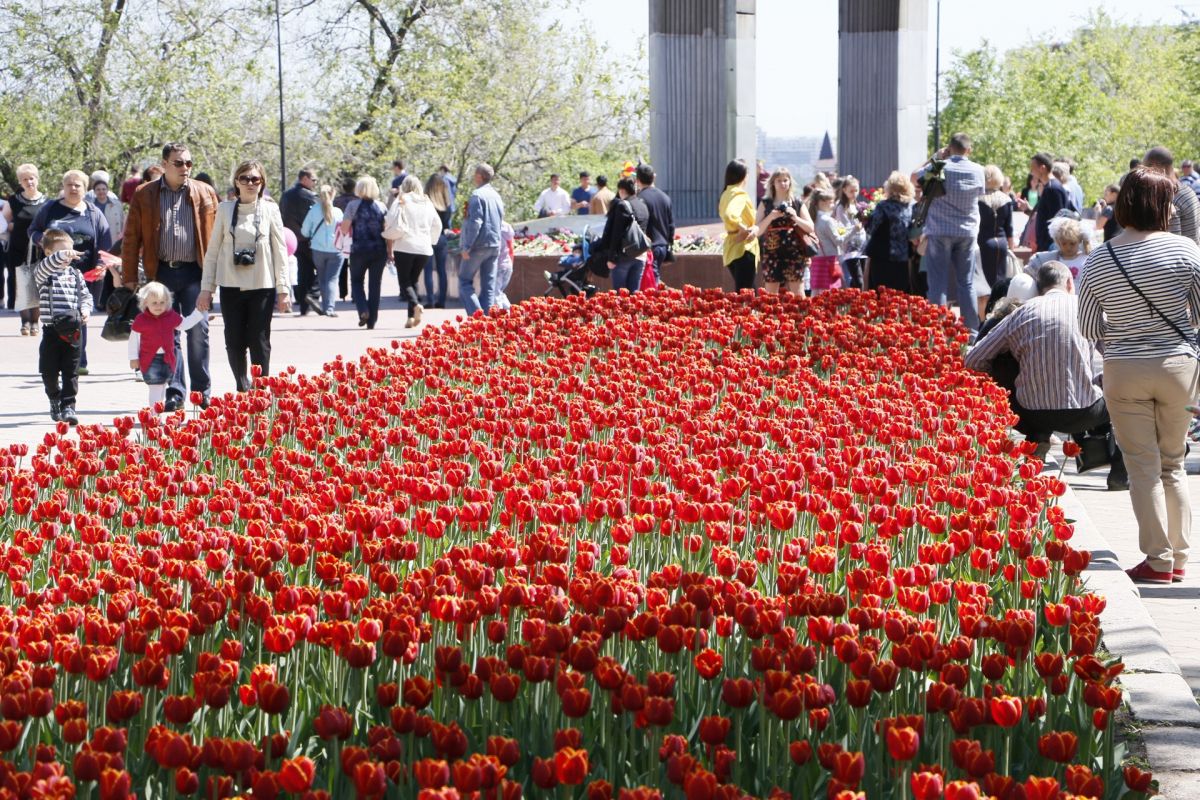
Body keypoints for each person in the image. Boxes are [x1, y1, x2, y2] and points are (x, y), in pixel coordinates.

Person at [1078, 166, 1200, 583]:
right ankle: (1181, 558)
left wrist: (1125, 330)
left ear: (1124, 203)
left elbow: (1090, 327)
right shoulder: (1187, 252)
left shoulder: (1101, 256)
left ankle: (1158, 559)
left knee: (1142, 468)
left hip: (1125, 368)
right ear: (1164, 207)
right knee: (1174, 464)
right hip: (1179, 368)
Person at [967, 261, 1126, 475]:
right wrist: (1098, 380)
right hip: (1085, 412)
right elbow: (1120, 357)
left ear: (1039, 287)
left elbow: (974, 359)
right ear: (1070, 282)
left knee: (1032, 386)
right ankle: (1120, 470)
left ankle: (1037, 443)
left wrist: (1013, 376)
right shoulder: (1086, 308)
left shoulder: (1021, 313)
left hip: (1030, 414)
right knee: (1125, 395)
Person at [122, 142, 220, 410]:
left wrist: (214, 280)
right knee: (168, 333)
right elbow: (131, 238)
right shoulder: (145, 194)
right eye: (179, 163)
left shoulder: (205, 192)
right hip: (161, 272)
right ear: (164, 164)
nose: (185, 168)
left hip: (195, 273)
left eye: (188, 163)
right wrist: (129, 276)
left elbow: (218, 237)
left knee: (199, 331)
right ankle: (175, 393)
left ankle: (202, 391)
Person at [196, 160, 290, 392]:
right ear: (236, 182)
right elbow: (213, 251)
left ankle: (261, 389)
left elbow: (280, 251)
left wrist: (283, 289)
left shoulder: (270, 210)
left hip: (262, 286)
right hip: (231, 285)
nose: (250, 183)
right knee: (234, 340)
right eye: (244, 179)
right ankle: (242, 384)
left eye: (255, 179)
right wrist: (206, 288)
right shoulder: (226, 210)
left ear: (262, 183)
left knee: (259, 340)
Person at [30, 170, 112, 377]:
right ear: (63, 187)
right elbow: (33, 230)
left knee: (79, 315)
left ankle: (78, 360)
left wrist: (102, 265)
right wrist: (45, 242)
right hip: (54, 275)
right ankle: (52, 359)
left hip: (84, 274)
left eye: (78, 185)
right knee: (55, 314)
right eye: (69, 185)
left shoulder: (94, 213)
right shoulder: (50, 208)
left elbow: (104, 242)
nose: (73, 188)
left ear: (86, 189)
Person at [913, 134, 986, 332]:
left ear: (949, 147)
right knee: (967, 283)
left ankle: (938, 329)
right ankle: (971, 330)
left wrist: (936, 157)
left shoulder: (939, 167)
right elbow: (980, 193)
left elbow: (914, 178)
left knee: (937, 283)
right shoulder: (978, 170)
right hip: (967, 232)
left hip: (939, 231)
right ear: (968, 150)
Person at [33, 230, 91, 425]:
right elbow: (48, 264)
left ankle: (68, 406)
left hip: (74, 330)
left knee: (71, 371)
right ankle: (54, 397)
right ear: (48, 253)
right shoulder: (43, 272)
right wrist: (62, 254)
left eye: (70, 250)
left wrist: (85, 310)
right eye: (63, 252)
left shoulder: (75, 274)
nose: (69, 255)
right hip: (52, 331)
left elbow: (85, 296)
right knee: (48, 371)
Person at [127, 282, 204, 409]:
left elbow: (184, 324)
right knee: (155, 388)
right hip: (150, 360)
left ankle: (157, 412)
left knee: (162, 386)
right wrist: (133, 358)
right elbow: (133, 339)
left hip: (168, 359)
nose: (158, 306)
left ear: (168, 302)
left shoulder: (171, 316)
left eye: (162, 302)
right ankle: (154, 414)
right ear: (145, 303)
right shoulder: (141, 320)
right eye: (154, 303)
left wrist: (198, 313)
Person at [384, 175, 441, 328]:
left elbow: (390, 220)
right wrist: (431, 240)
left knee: (404, 282)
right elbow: (437, 224)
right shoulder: (427, 202)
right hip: (424, 248)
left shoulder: (401, 200)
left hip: (405, 245)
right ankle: (411, 318)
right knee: (413, 280)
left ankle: (416, 305)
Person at [3, 163, 49, 334]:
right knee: (21, 286)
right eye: (25, 179)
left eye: (31, 178)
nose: (29, 182)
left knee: (38, 285)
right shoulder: (13, 201)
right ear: (20, 182)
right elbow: (4, 224)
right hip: (18, 249)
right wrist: (12, 226)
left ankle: (35, 322)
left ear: (37, 179)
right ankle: (25, 322)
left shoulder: (47, 202)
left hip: (40, 249)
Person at [338, 176, 389, 330]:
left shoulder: (353, 206)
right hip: (379, 250)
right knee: (375, 284)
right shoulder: (381, 206)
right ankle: (372, 320)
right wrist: (390, 251)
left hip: (359, 250)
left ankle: (363, 310)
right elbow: (387, 231)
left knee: (357, 282)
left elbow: (344, 228)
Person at [756, 167, 814, 295]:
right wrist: (771, 216)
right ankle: (771, 315)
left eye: (785, 180)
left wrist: (794, 217)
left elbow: (810, 227)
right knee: (770, 294)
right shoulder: (766, 203)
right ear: (773, 183)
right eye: (779, 181)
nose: (783, 184)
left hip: (794, 252)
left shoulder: (797, 202)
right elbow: (758, 230)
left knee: (798, 292)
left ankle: (802, 315)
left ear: (790, 182)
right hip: (772, 252)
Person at [459, 163, 505, 316]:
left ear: (479, 176)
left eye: (474, 174)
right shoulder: (497, 196)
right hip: (494, 245)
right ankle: (488, 323)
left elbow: (475, 223)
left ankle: (478, 320)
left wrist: (466, 246)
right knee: (489, 287)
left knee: (464, 281)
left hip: (478, 246)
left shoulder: (477, 195)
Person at [596, 176, 650, 293]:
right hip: (641, 254)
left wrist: (611, 258)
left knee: (621, 295)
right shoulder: (643, 205)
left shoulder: (622, 205)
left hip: (623, 255)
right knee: (634, 294)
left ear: (621, 190)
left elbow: (616, 233)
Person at [864, 171, 914, 292]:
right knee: (900, 296)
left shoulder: (883, 206)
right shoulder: (911, 207)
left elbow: (870, 229)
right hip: (903, 259)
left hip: (882, 258)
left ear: (889, 188)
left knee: (880, 296)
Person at [280, 168, 321, 315]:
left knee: (302, 272)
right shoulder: (311, 197)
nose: (315, 183)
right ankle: (312, 296)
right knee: (321, 270)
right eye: (313, 179)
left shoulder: (285, 195)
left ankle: (304, 306)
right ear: (304, 178)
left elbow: (281, 215)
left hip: (291, 239)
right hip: (309, 239)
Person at [300, 184, 344, 317]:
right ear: (333, 194)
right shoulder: (338, 212)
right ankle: (329, 308)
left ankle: (325, 306)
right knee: (332, 279)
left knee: (322, 278)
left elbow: (304, 231)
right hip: (336, 250)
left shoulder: (314, 210)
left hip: (317, 249)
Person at [1143, 146, 1200, 245]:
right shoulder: (1187, 190)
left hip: (1182, 258)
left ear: (1155, 167)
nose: (1144, 174)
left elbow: (1172, 245)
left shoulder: (1170, 197)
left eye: (1145, 169)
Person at [719, 159, 759, 292]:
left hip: (732, 247)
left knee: (746, 289)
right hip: (744, 247)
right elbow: (730, 215)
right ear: (744, 176)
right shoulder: (739, 194)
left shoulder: (726, 193)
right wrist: (743, 228)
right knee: (746, 293)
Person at [809, 188, 857, 295]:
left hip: (817, 260)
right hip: (829, 260)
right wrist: (854, 230)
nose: (833, 204)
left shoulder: (813, 218)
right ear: (822, 202)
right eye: (831, 202)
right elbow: (839, 241)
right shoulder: (827, 220)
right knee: (830, 293)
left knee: (816, 292)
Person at [635, 164, 674, 281]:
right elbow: (670, 225)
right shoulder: (665, 197)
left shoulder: (639, 199)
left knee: (650, 281)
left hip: (647, 247)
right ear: (654, 177)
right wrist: (668, 247)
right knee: (653, 277)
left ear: (637, 180)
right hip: (662, 246)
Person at [977, 165, 1014, 289]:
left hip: (983, 242)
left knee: (985, 282)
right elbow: (1009, 228)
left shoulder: (979, 199)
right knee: (1000, 279)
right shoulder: (1006, 199)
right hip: (1002, 242)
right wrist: (1012, 246)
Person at [1025, 216, 1091, 281]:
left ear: (1079, 240)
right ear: (1058, 242)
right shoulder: (1048, 260)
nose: (1068, 247)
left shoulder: (1086, 260)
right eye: (1064, 243)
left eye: (1072, 243)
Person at [1028, 153, 1070, 253]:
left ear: (1042, 168)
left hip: (1050, 245)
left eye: (1033, 168)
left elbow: (1057, 219)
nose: (1031, 172)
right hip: (1045, 244)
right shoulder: (1049, 187)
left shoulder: (1052, 189)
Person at [423, 174, 452, 309]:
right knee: (442, 270)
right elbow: (447, 224)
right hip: (441, 238)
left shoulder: (425, 203)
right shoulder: (446, 203)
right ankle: (442, 300)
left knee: (428, 269)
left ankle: (430, 300)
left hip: (427, 237)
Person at [833, 175, 866, 288]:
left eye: (856, 190)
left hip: (861, 247)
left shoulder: (857, 205)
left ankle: (853, 301)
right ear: (844, 190)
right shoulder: (841, 207)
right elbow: (843, 228)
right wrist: (855, 228)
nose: (854, 193)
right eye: (851, 191)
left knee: (859, 280)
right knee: (859, 280)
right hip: (850, 248)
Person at [333, 177, 357, 301]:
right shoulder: (357, 201)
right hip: (354, 235)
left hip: (342, 234)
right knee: (355, 266)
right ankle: (355, 293)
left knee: (342, 266)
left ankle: (343, 293)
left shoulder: (337, 201)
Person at [495, 221, 515, 310]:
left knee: (496, 294)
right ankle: (512, 315)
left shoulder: (491, 225)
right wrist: (511, 263)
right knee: (499, 292)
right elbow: (511, 248)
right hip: (508, 265)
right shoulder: (507, 226)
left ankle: (501, 316)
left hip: (497, 266)